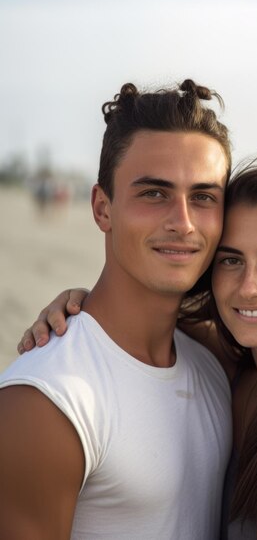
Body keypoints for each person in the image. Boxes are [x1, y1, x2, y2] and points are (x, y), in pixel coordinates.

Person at [19, 165, 257, 539]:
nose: (249, 287)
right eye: (231, 260)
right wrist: (78, 305)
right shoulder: (233, 365)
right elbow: (133, 322)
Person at [0, 79, 234, 540]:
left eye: (204, 197)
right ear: (103, 209)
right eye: (154, 193)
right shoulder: (46, 401)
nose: (183, 222)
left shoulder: (215, 363)